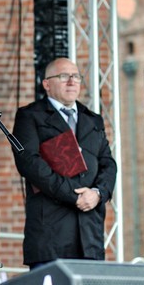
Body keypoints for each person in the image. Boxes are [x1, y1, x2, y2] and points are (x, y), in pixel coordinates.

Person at [12, 58, 117, 269]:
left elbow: (108, 164)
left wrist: (97, 193)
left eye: (76, 76)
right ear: (46, 84)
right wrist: (75, 195)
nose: (72, 81)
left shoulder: (92, 119)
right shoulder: (30, 116)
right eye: (63, 76)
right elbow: (29, 164)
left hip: (89, 235)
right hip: (50, 235)